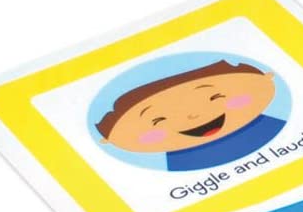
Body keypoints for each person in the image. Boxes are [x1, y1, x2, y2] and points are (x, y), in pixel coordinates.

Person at [94, 59, 284, 170]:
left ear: (266, 78)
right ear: (107, 139)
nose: (193, 116)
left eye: (215, 97)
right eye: (159, 120)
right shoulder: (176, 161)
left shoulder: (272, 129)